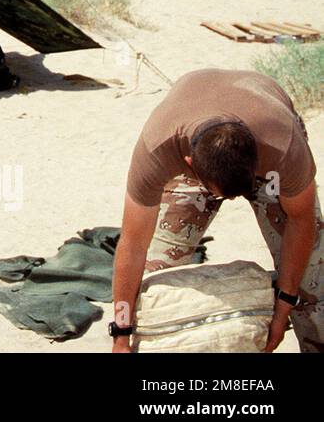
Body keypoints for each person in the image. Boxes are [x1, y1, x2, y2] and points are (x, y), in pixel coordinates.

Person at [110, 68, 322, 352]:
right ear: (188, 164)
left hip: (263, 133)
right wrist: (120, 335)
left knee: (314, 283)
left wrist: (285, 304)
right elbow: (134, 244)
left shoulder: (282, 145)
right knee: (155, 280)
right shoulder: (157, 149)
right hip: (196, 149)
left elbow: (301, 219)